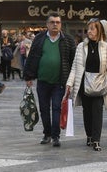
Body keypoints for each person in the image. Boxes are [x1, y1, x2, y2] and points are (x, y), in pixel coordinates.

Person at [24, 12, 76, 147]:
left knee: (57, 108)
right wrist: (28, 76)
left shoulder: (68, 40)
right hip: (42, 81)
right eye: (52, 22)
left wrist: (71, 81)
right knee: (44, 109)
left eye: (57, 22)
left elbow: (74, 61)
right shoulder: (40, 39)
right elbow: (32, 58)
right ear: (47, 24)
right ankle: (47, 134)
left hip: (60, 81)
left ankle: (55, 136)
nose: (55, 24)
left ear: (60, 24)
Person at [65, 18, 107, 151]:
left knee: (97, 111)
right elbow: (75, 67)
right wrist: (69, 83)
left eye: (92, 28)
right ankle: (89, 136)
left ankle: (96, 140)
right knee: (87, 112)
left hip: (100, 84)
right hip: (84, 83)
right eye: (88, 29)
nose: (89, 31)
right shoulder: (81, 47)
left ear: (99, 30)